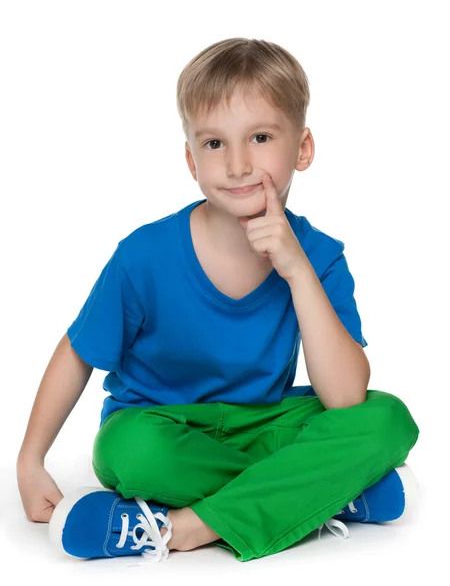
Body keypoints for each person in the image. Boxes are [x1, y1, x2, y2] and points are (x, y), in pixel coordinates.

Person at [16, 37, 420, 564]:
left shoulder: (319, 257)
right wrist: (30, 459)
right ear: (191, 160)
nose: (237, 164)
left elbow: (345, 397)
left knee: (388, 418)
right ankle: (323, 494)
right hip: (165, 429)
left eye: (259, 137)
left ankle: (182, 527)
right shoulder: (145, 255)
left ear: (302, 148)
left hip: (264, 422)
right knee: (125, 450)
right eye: (213, 144)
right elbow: (78, 351)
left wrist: (296, 271)